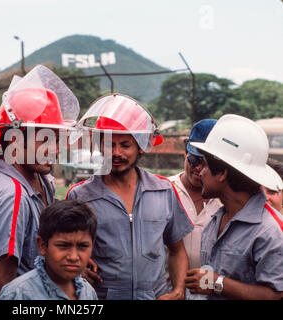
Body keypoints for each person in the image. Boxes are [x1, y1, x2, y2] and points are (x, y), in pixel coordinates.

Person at [66, 93, 194, 300]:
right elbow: (64, 249)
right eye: (109, 144)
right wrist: (76, 270)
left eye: (125, 145)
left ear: (140, 148)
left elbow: (177, 249)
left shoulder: (164, 190)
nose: (117, 153)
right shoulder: (80, 196)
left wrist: (178, 291)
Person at [0, 65, 80, 299]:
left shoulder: (35, 180)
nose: (55, 149)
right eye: (44, 139)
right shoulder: (12, 194)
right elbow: (4, 286)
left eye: (56, 138)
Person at [184, 114, 283, 300]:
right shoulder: (216, 220)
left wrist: (217, 283)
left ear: (221, 173)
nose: (200, 172)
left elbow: (276, 294)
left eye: (204, 165)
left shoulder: (269, 231)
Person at [166, 119, 222, 299]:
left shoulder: (225, 201)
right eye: (194, 160)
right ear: (185, 154)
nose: (199, 169)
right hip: (165, 292)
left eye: (207, 164)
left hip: (210, 293)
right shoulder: (163, 190)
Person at [0, 200, 98, 300]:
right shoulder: (17, 294)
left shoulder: (87, 292)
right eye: (63, 246)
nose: (73, 257)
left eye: (83, 246)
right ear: (42, 246)